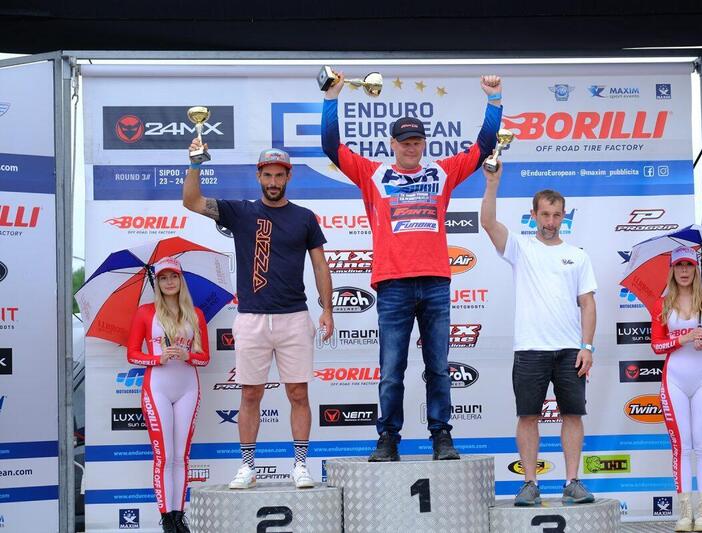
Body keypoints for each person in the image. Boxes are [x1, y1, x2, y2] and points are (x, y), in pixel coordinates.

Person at [321, 70, 503, 461]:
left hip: (435, 282)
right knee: (391, 370)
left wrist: (494, 100)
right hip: (392, 284)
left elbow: (484, 146)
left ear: (424, 143)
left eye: (417, 141)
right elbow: (331, 146)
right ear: (393, 144)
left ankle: (442, 437)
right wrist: (332, 99)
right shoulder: (373, 173)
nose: (411, 147)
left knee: (438, 367)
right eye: (404, 142)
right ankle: (388, 438)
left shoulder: (441, 172)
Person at [182, 142, 333, 490]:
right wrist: (194, 165)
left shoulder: (304, 217)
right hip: (251, 318)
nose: (273, 182)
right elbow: (191, 201)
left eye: (279, 175)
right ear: (259, 176)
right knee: (250, 395)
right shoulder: (240, 212)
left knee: (298, 393)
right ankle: (248, 467)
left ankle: (300, 465)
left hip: (294, 317)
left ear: (289, 177)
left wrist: (327, 309)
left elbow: (320, 264)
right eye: (268, 175)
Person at [480, 162, 598, 506]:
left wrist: (587, 346)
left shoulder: (577, 256)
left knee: (573, 415)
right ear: (533, 215)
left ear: (564, 217)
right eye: (545, 214)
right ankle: (530, 483)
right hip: (530, 348)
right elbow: (487, 222)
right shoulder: (521, 247)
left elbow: (588, 304)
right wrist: (492, 183)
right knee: (528, 416)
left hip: (570, 350)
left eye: (556, 215)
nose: (550, 221)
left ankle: (572, 481)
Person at [127, 256, 210, 533]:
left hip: (188, 387)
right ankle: (166, 518)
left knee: (181, 457)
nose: (169, 282)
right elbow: (132, 354)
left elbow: (205, 358)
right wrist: (157, 359)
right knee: (163, 457)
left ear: (180, 280)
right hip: (157, 388)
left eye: (173, 276)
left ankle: (178, 515)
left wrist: (188, 356)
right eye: (163, 278)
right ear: (157, 283)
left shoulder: (195, 313)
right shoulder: (145, 312)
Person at [650, 246, 702, 532]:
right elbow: (656, 345)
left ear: (697, 269)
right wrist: (681, 339)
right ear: (672, 270)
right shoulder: (662, 304)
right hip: (674, 381)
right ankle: (685, 515)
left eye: (689, 265)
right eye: (679, 265)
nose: (684, 271)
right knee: (681, 447)